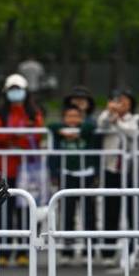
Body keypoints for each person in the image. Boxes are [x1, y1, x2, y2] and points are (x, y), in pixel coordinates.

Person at [0, 73, 44, 267]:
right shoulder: (0, 113)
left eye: (18, 89)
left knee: (26, 212)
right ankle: (3, 252)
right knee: (4, 213)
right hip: (5, 170)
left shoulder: (33, 113)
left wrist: (12, 136)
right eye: (12, 89)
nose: (15, 93)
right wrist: (19, 134)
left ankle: (23, 252)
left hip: (26, 171)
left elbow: (36, 134)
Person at [96, 89, 139, 266]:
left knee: (133, 211)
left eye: (124, 101)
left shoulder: (135, 118)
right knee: (110, 210)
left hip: (131, 170)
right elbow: (102, 125)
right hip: (111, 168)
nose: (120, 104)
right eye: (117, 100)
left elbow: (133, 132)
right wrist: (110, 113)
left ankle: (134, 250)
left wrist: (118, 122)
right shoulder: (106, 116)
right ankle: (108, 251)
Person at [48, 104, 98, 261]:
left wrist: (78, 133)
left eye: (76, 116)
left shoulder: (87, 130)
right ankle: (67, 251)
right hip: (67, 175)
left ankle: (89, 250)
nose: (72, 119)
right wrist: (62, 131)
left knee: (89, 213)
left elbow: (92, 126)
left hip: (86, 175)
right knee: (67, 213)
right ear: (64, 118)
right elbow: (50, 126)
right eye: (69, 116)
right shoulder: (60, 132)